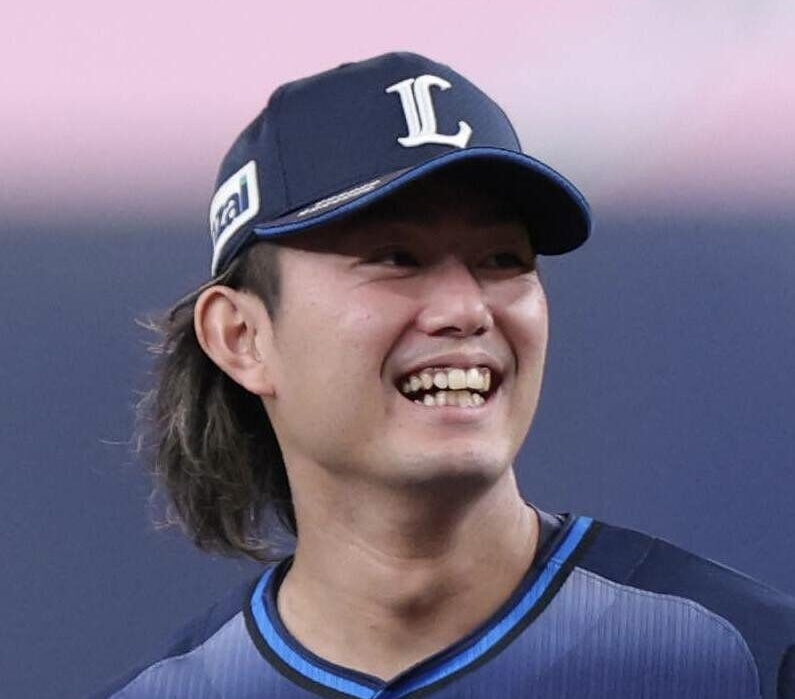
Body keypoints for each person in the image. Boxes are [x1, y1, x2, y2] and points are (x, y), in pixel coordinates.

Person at [96, 52, 795, 698]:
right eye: (395, 257)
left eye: (502, 259)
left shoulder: (738, 661)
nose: (465, 309)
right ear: (242, 337)